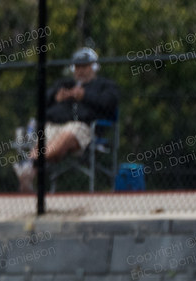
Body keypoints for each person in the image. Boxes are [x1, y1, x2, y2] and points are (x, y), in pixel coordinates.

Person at [15, 47, 120, 192]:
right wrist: (55, 97)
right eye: (77, 67)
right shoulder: (64, 84)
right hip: (54, 125)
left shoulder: (104, 85)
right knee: (44, 138)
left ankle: (30, 163)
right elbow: (41, 102)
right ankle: (28, 175)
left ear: (94, 67)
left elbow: (110, 103)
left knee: (68, 134)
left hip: (83, 128)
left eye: (84, 66)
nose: (80, 71)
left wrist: (85, 96)